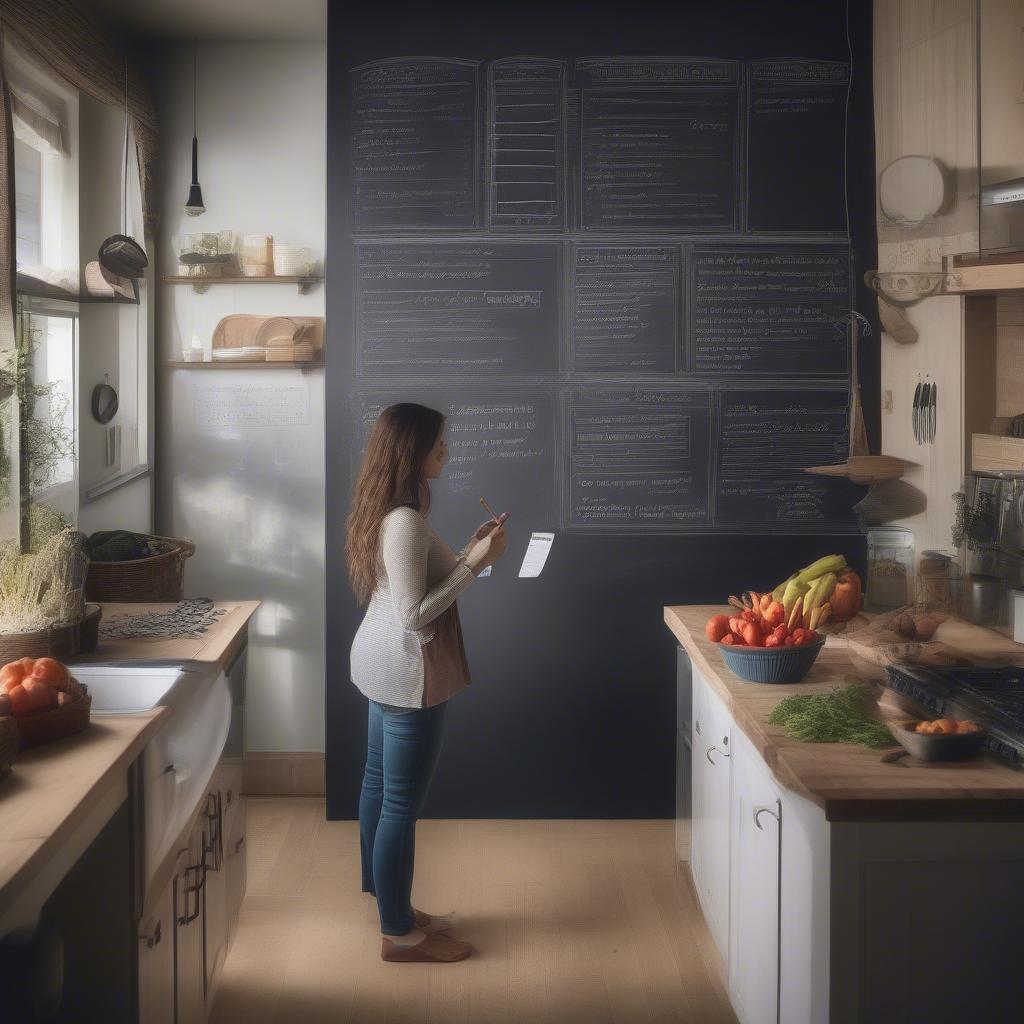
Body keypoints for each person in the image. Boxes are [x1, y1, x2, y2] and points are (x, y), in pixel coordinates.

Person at [346, 403, 508, 963]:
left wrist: (472, 551)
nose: (447, 453)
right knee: (398, 806)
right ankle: (398, 933)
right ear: (412, 453)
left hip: (378, 663)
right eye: (440, 447)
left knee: (376, 786)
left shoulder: (388, 511)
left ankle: (389, 904)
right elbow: (417, 614)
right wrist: (475, 566)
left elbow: (423, 577)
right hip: (405, 670)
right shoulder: (405, 520)